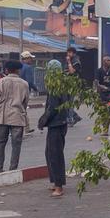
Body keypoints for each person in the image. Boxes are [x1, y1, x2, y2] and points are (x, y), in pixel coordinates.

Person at [0, 60, 30, 173]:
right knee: (16, 145)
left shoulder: (1, 82)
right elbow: (25, 103)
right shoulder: (24, 84)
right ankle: (13, 169)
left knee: (0, 143)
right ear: (18, 70)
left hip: (2, 116)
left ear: (6, 70)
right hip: (17, 117)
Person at [39, 59, 68, 197]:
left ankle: (59, 186)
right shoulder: (61, 82)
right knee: (49, 153)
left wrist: (43, 120)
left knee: (55, 155)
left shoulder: (57, 85)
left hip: (57, 123)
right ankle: (55, 182)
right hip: (58, 123)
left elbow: (53, 107)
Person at [95, 55, 110, 136]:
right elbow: (96, 82)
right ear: (104, 62)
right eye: (108, 60)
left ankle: (106, 129)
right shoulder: (99, 71)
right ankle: (104, 127)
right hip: (102, 93)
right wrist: (102, 87)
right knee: (103, 112)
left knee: (109, 109)